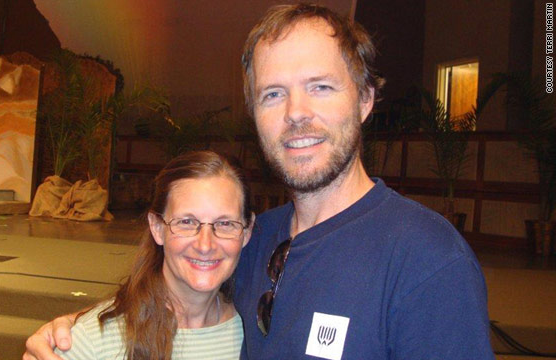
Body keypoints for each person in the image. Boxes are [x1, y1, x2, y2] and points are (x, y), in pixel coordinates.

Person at [25, 4, 494, 359]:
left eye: (320, 86)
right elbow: (174, 297)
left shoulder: (427, 262)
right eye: (274, 94)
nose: (295, 113)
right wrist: (79, 335)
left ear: (366, 99)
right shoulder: (251, 242)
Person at [30, 150, 254, 360]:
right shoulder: (92, 343)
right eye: (186, 222)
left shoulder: (256, 336)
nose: (205, 245)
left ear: (247, 231)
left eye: (225, 223)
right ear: (157, 227)